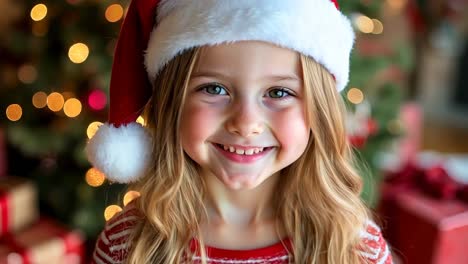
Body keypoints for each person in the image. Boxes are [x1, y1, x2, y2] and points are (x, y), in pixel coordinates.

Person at [87, 0, 393, 263]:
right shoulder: (125, 246)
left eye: (278, 93)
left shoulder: (355, 247)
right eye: (214, 88)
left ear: (319, 111)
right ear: (172, 102)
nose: (246, 123)